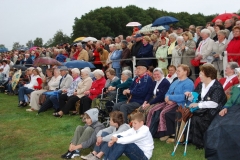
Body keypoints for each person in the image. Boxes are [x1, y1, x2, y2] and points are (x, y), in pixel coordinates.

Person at [146, 64, 194, 142]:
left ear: (185, 72)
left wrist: (170, 98)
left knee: (166, 113)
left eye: (179, 71)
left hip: (181, 104)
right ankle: (154, 132)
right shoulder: (176, 81)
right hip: (170, 102)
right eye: (177, 70)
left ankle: (170, 133)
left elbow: (185, 97)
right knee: (154, 110)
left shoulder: (188, 83)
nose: (177, 72)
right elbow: (168, 92)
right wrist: (167, 99)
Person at [186, 64, 227, 149]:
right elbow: (196, 95)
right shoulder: (201, 84)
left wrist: (198, 104)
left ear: (208, 75)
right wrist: (190, 95)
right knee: (190, 115)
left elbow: (214, 103)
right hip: (203, 109)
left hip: (214, 111)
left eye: (201, 74)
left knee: (197, 118)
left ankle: (203, 143)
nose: (199, 76)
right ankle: (192, 140)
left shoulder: (216, 86)